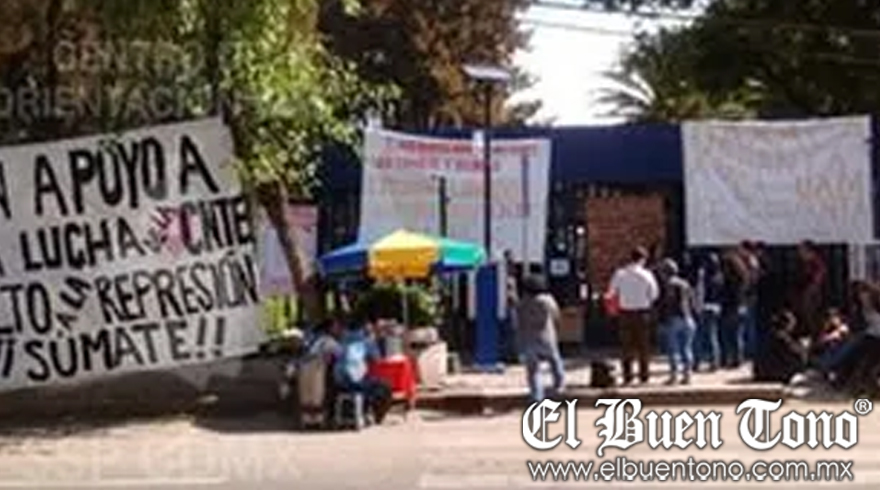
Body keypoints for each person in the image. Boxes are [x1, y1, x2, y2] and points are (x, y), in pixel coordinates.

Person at [608, 247, 659, 385]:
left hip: (625, 313)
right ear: (642, 259)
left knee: (626, 346)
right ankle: (644, 375)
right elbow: (654, 294)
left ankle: (628, 376)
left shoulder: (620, 274)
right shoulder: (647, 274)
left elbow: (611, 292)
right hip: (643, 313)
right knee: (644, 346)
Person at [516, 274, 565, 402]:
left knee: (533, 370)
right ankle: (559, 385)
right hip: (546, 337)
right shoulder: (547, 300)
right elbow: (556, 314)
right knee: (555, 361)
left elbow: (518, 321)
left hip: (528, 339)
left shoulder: (522, 303)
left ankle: (537, 395)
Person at [333, 320, 393, 424]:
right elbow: (377, 359)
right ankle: (377, 417)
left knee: (369, 384)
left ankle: (362, 411)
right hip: (357, 382)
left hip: (340, 382)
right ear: (362, 329)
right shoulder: (366, 342)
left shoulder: (340, 341)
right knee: (384, 386)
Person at [656, 259, 698, 385]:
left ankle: (674, 375)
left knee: (673, 350)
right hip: (688, 318)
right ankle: (687, 375)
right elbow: (693, 301)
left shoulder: (667, 285)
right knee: (687, 349)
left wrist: (662, 318)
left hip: (673, 319)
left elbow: (667, 303)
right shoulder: (685, 284)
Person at [719, 245, 749, 368]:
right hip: (741, 306)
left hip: (730, 307)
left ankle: (727, 359)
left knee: (727, 335)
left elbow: (726, 294)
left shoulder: (728, 280)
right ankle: (738, 359)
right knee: (737, 335)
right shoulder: (742, 277)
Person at [790, 241, 826, 339]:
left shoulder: (816, 262)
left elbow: (818, 277)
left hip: (811, 293)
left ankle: (816, 335)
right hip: (806, 292)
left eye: (802, 251)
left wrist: (812, 289)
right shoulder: (805, 263)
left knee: (811, 314)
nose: (800, 254)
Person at [758, 310, 807, 383]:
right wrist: (803, 348)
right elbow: (797, 356)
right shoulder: (782, 338)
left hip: (764, 373)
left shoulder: (768, 336)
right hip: (777, 374)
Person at [694, 252, 724, 372]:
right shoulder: (719, 277)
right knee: (713, 335)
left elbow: (700, 291)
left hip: (705, 307)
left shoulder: (704, 277)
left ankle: (697, 361)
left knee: (699, 336)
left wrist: (698, 307)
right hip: (716, 307)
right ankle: (715, 362)